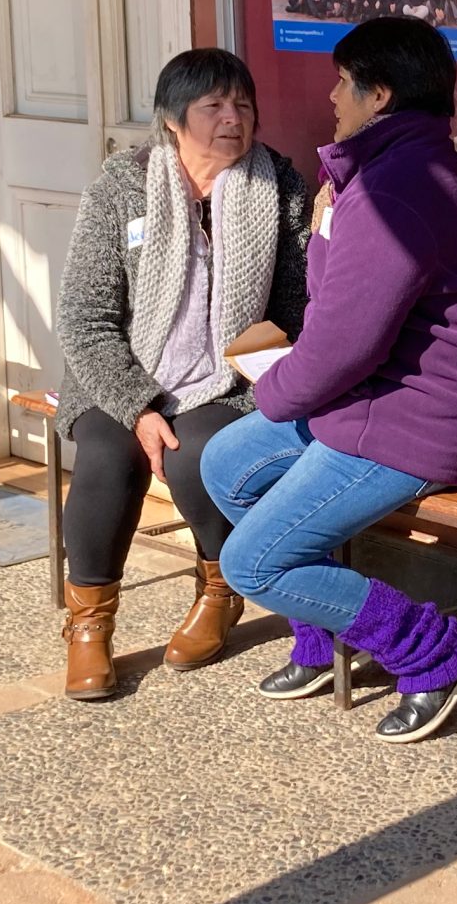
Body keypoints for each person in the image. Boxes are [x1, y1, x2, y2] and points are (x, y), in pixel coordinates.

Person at [201, 17, 457, 743]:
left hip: (416, 418)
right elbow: (337, 303)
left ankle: (435, 652)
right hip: (372, 398)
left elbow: (344, 343)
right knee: (226, 462)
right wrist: (327, 221)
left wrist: (272, 392)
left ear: (381, 96)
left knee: (254, 566)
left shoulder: (399, 186)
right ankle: (324, 634)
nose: (331, 95)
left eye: (344, 82)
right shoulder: (386, 171)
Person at [49, 50, 312, 698]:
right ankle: (89, 628)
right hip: (119, 369)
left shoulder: (279, 186)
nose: (232, 118)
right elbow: (84, 318)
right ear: (172, 119)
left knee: (202, 455)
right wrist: (138, 407)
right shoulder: (122, 186)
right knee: (108, 456)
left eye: (242, 104)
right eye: (213, 106)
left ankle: (219, 591)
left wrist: (256, 372)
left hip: (229, 375)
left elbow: (294, 311)